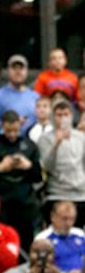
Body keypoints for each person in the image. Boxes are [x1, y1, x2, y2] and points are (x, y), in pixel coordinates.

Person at [0, 108, 42, 249]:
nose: (12, 134)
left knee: (25, 245)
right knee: (1, 243)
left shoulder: (29, 146)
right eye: (8, 131)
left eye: (15, 130)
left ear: (20, 126)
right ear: (2, 126)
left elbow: (38, 176)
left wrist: (28, 166)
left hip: (25, 205)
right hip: (1, 205)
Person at [37, 95, 85, 226]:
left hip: (80, 193)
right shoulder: (45, 139)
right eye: (59, 115)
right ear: (53, 117)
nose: (63, 118)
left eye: (66, 114)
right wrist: (56, 144)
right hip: (57, 193)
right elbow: (46, 166)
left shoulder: (81, 137)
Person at [0, 55, 38, 135]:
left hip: (30, 144)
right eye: (14, 68)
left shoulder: (36, 97)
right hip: (4, 144)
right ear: (8, 71)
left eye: (21, 68)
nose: (18, 71)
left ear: (26, 71)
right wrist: (7, 124)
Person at [35, 199, 85, 273]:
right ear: (53, 217)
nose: (69, 224)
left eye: (72, 219)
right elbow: (41, 269)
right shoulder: (43, 239)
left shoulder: (80, 234)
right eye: (64, 219)